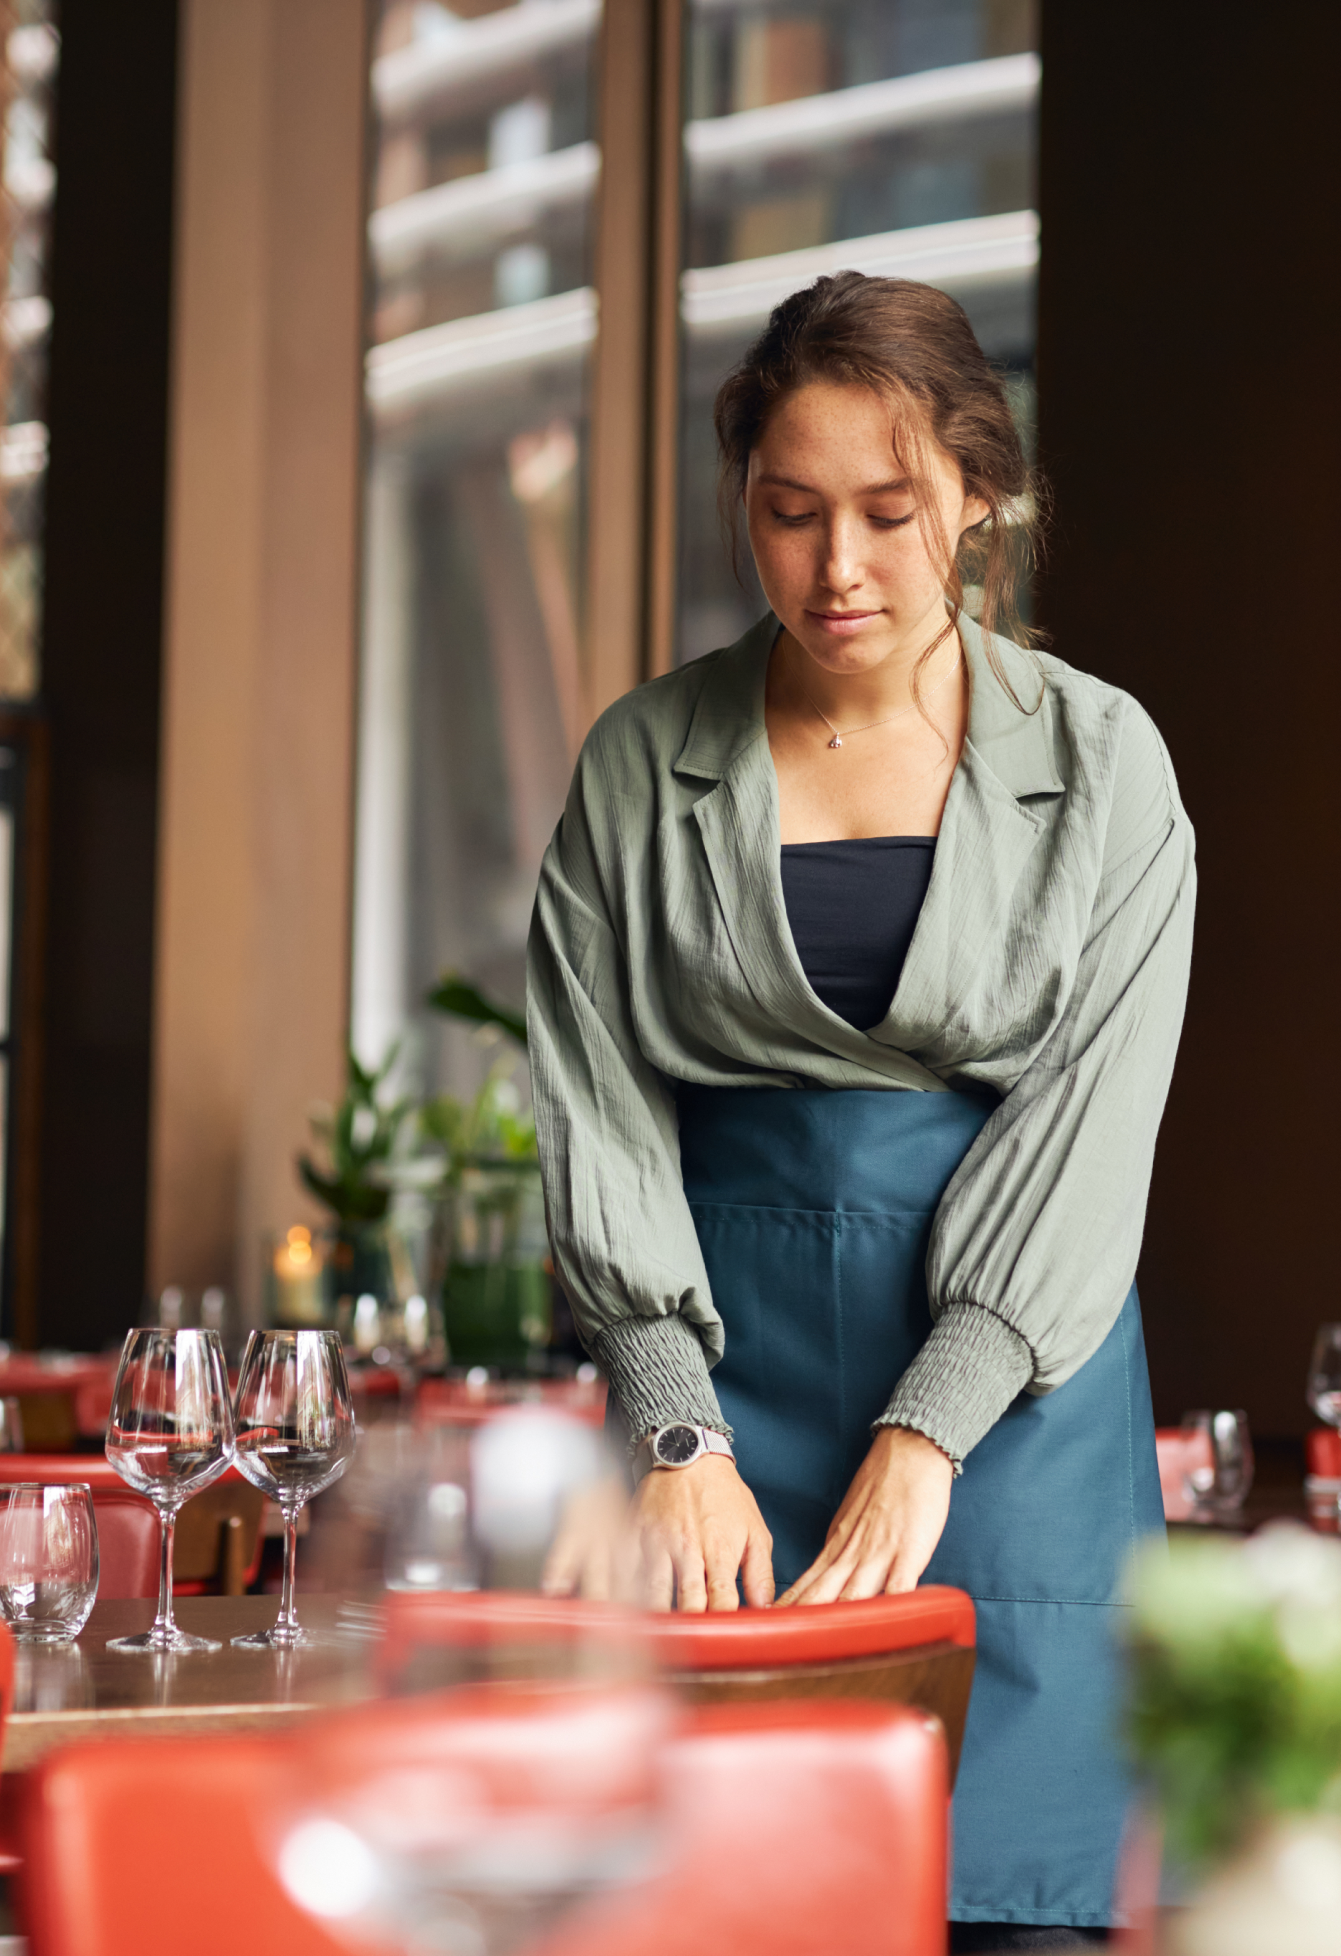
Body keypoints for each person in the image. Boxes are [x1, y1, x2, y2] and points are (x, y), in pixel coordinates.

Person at [527, 270, 1195, 1947]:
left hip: (1017, 1418)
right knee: (727, 1902)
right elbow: (598, 1104)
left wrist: (929, 1431)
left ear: (981, 496)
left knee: (1026, 1909)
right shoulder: (640, 761)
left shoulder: (1108, 768)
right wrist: (675, 1429)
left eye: (892, 514)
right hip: (723, 1410)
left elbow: (1088, 1128)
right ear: (744, 507)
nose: (840, 569)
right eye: (792, 513)